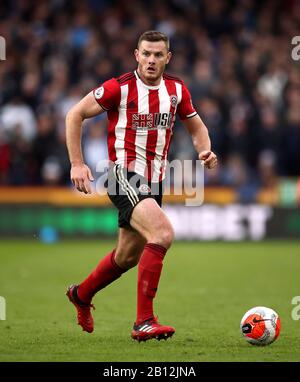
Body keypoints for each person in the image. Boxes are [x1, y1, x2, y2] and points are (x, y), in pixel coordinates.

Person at [65, 30, 217, 342]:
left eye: (158, 55)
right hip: (123, 175)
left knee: (127, 256)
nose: (151, 60)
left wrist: (204, 150)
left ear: (167, 58)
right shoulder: (118, 88)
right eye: (146, 53)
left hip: (155, 181)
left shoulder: (176, 90)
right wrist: (77, 163)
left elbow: (197, 126)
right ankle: (144, 321)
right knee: (162, 233)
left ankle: (81, 294)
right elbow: (75, 114)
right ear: (136, 55)